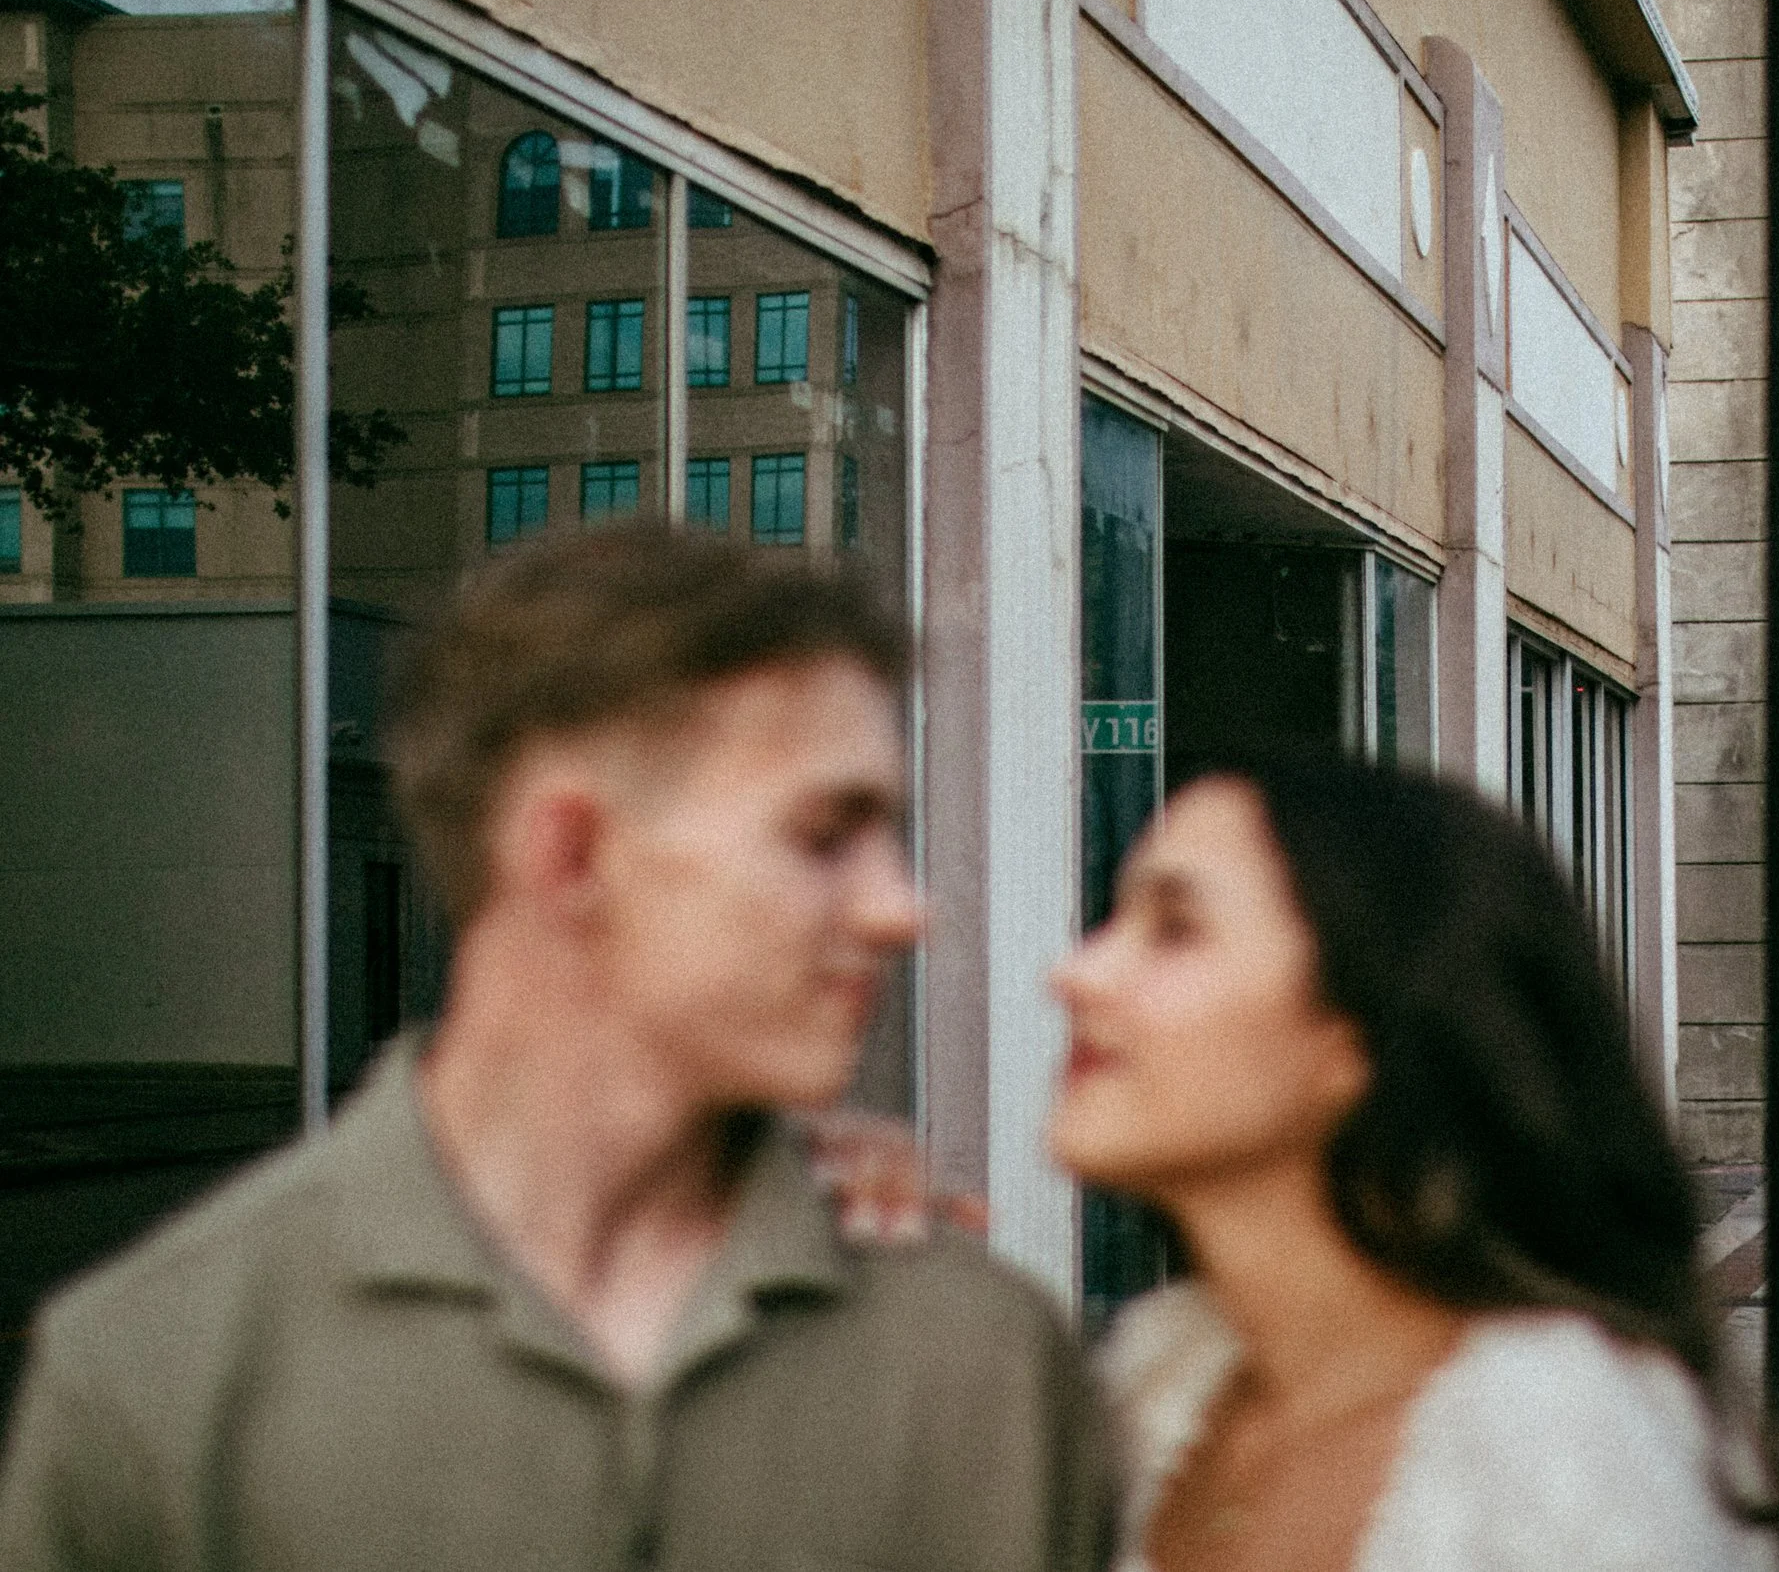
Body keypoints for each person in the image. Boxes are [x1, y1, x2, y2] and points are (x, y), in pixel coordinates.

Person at [0, 524, 1107, 1572]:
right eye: (824, 835)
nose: (902, 909)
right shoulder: (155, 1379)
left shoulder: (989, 1365)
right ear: (571, 854)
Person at [1047, 757, 1779, 1572]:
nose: (1075, 973)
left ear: (1356, 1035)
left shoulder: (1558, 1453)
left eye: (1175, 928)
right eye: (1113, 919)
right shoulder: (1161, 1377)